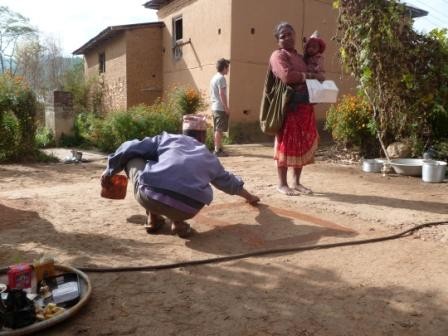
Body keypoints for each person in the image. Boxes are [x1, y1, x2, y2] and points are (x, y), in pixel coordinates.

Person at [101, 132, 260, 238]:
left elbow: (130, 146)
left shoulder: (167, 139)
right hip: (188, 209)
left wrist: (110, 170)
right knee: (177, 173)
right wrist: (250, 197)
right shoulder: (209, 157)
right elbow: (228, 182)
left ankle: (153, 218)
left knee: (135, 157)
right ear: (201, 139)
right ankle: (178, 223)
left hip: (149, 197)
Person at [268, 22, 325, 196]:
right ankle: (282, 184)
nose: (286, 38)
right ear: (278, 40)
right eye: (282, 36)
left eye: (289, 34)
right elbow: (287, 76)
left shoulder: (301, 58)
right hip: (288, 107)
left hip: (304, 106)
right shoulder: (278, 56)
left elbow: (319, 76)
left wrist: (314, 77)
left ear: (295, 36)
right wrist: (310, 76)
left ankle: (297, 182)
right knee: (285, 144)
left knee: (300, 144)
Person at [210, 58, 230, 157]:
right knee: (219, 129)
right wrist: (226, 107)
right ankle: (217, 151)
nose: (228, 69)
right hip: (219, 107)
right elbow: (222, 94)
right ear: (224, 68)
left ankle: (219, 148)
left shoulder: (214, 77)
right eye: (227, 67)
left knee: (217, 129)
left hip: (214, 107)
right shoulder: (221, 78)